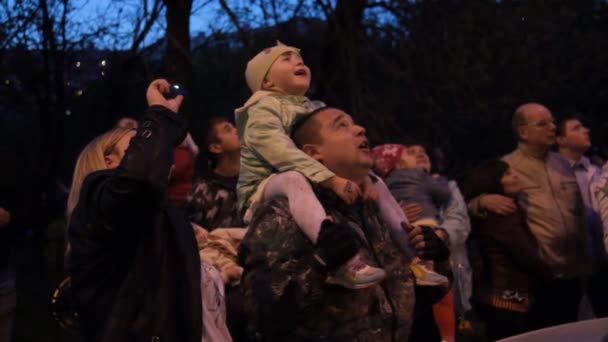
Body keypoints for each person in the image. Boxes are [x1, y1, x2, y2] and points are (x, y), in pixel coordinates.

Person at [238, 106, 451, 340]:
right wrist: (320, 265)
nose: (360, 129)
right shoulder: (283, 215)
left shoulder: (376, 210)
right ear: (312, 153)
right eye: (342, 125)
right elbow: (259, 319)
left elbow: (411, 303)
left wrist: (437, 259)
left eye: (356, 124)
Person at [235, 41, 388, 289]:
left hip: (310, 180)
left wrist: (367, 178)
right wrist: (330, 178)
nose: (298, 62)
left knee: (378, 182)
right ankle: (341, 260)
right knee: (292, 178)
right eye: (286, 59)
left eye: (299, 58)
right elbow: (280, 152)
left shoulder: (310, 107)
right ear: (267, 83)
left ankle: (418, 258)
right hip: (262, 188)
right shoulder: (260, 111)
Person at [65, 79, 202, 342]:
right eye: (135, 145)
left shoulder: (159, 210)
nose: (157, 150)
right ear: (109, 162)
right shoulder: (96, 198)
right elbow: (137, 178)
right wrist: (160, 115)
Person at [468, 103, 591, 329]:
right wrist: (480, 201)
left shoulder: (562, 164)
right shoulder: (507, 167)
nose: (553, 127)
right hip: (538, 277)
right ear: (523, 132)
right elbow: (470, 206)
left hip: (572, 274)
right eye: (543, 124)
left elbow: (579, 214)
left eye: (553, 121)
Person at [467, 159, 553, 340]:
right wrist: (548, 273)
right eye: (507, 174)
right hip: (508, 297)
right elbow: (523, 253)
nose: (515, 176)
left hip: (497, 294)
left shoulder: (491, 210)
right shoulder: (503, 212)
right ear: (493, 181)